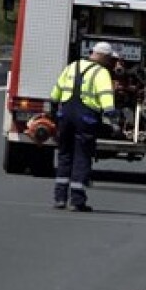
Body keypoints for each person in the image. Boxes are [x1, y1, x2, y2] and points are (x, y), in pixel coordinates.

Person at [49, 41, 118, 212]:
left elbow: (56, 92)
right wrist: (111, 116)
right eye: (109, 59)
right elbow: (105, 96)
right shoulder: (101, 73)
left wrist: (54, 110)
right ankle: (77, 200)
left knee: (65, 155)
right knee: (82, 156)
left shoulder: (72, 66)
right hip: (85, 118)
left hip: (65, 115)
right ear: (103, 56)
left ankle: (59, 198)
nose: (110, 62)